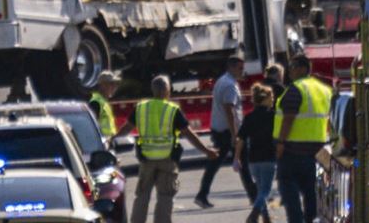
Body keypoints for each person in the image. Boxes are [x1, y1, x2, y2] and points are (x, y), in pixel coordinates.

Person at [123, 75, 218, 223]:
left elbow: (126, 128)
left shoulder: (141, 107)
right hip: (167, 160)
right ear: (167, 91)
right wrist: (206, 151)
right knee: (165, 197)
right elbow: (189, 134)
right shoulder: (173, 110)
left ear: (153, 90)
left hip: (146, 160)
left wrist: (111, 138)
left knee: (142, 196)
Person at [274, 54, 332, 223]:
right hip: (316, 153)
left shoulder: (295, 89)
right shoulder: (324, 90)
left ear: (303, 69)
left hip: (291, 152)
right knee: (311, 194)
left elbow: (288, 117)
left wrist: (280, 143)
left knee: (288, 190)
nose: (289, 71)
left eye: (292, 67)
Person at [194, 52, 257, 208]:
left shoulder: (223, 81)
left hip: (221, 129)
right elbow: (229, 110)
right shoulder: (229, 85)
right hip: (228, 131)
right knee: (242, 163)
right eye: (240, 68)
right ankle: (254, 197)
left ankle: (202, 195)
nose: (243, 71)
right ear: (232, 67)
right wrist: (235, 135)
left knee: (219, 163)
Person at [234, 83, 275, 223]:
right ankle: (254, 214)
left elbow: (241, 139)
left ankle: (266, 217)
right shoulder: (273, 116)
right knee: (265, 191)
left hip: (253, 159)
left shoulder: (249, 117)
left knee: (260, 189)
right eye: (271, 97)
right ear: (265, 99)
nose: (273, 100)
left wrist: (236, 157)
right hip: (269, 157)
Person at [89, 70, 132, 138]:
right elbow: (91, 127)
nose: (115, 87)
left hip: (108, 142)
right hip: (102, 142)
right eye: (111, 84)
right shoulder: (96, 102)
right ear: (102, 85)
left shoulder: (104, 102)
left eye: (116, 84)